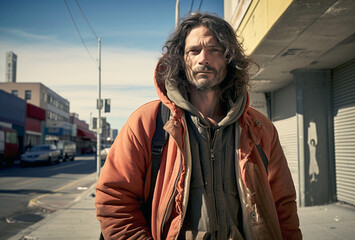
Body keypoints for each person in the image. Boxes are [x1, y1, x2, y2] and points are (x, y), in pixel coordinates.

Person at [95, 12, 302, 240]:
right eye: (194, 51)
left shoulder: (260, 128)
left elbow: (283, 205)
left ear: (229, 58)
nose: (204, 58)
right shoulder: (147, 122)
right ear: (181, 61)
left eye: (214, 49)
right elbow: (113, 200)